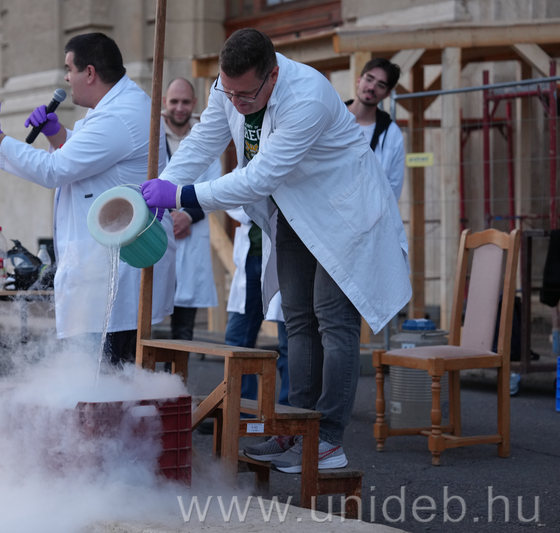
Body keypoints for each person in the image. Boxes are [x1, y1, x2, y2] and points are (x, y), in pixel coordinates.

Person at [141, 29, 411, 472]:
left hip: (345, 213)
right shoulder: (229, 88)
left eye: (246, 95)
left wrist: (182, 195)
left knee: (334, 321)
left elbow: (258, 178)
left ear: (273, 75)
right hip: (294, 211)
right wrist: (166, 181)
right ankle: (294, 430)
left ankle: (328, 439)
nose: (236, 103)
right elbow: (204, 140)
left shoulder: (307, 96)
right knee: (296, 318)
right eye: (229, 93)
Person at [0, 32, 175, 365]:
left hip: (113, 269)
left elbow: (54, 170)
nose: (65, 78)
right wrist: (57, 134)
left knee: (102, 377)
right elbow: (93, 161)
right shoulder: (118, 107)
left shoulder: (117, 116)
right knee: (105, 375)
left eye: (68, 68)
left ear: (89, 72)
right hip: (107, 263)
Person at [163, 78, 218, 343]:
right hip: (157, 230)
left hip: (191, 232)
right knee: (145, 318)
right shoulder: (151, 136)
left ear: (195, 103)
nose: (179, 108)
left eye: (186, 102)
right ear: (165, 102)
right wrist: (168, 217)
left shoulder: (206, 138)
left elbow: (214, 185)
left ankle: (178, 370)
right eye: (174, 101)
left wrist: (187, 215)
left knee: (184, 328)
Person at [225, 208, 289, 409]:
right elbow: (235, 200)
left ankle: (289, 413)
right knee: (237, 339)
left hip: (285, 256)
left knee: (291, 342)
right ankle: (243, 410)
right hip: (250, 257)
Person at [345, 58, 405, 201]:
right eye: (369, 79)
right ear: (359, 80)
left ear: (387, 94)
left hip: (366, 212)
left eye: (381, 85)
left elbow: (393, 187)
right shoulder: (331, 118)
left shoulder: (392, 134)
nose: (372, 87)